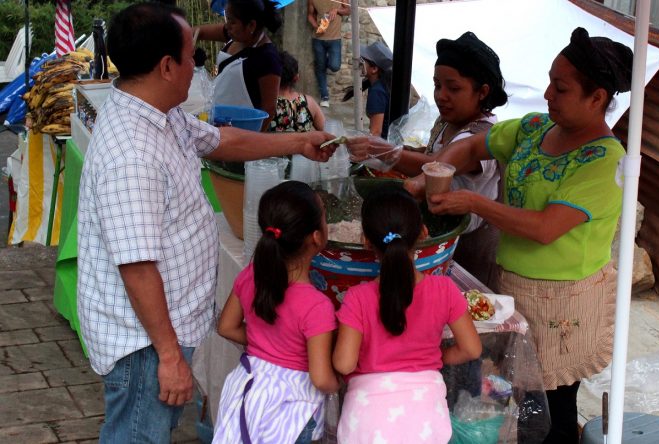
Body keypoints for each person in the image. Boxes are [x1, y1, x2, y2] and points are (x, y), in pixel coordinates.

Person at [77, 3, 337, 442]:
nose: (199, 64)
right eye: (191, 56)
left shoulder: (159, 113)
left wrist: (300, 142)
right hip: (142, 343)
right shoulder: (131, 154)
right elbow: (137, 267)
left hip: (162, 332)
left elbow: (220, 139)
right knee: (138, 434)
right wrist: (168, 356)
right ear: (166, 66)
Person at [404, 27, 632, 443]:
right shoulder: (534, 129)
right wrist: (432, 172)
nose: (547, 94)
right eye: (549, 81)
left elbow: (546, 227)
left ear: (596, 98)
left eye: (560, 88)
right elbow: (472, 147)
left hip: (563, 304)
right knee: (519, 392)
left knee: (554, 403)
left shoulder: (604, 161)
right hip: (514, 286)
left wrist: (473, 203)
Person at [350, 31, 507, 291]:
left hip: (471, 254)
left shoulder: (484, 135)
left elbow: (438, 164)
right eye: (437, 85)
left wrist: (385, 152)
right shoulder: (448, 121)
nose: (441, 95)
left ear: (482, 92)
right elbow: (430, 153)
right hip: (439, 241)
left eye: (453, 88)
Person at [332, 188, 482, 443]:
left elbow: (344, 364)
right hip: (425, 417)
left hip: (367, 421)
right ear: (423, 233)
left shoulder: (357, 298)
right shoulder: (444, 289)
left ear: (366, 241)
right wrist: (437, 356)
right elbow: (471, 349)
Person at [214, 181, 339, 443]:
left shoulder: (252, 274)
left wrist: (268, 347)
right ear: (317, 237)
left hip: (247, 392)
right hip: (290, 407)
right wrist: (341, 383)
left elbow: (226, 326)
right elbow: (320, 378)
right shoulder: (317, 306)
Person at [196, 0, 283, 130]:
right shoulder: (233, 35)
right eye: (227, 19)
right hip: (217, 121)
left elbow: (269, 110)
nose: (227, 26)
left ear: (251, 25)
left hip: (241, 129)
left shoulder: (267, 59)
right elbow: (198, 31)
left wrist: (253, 141)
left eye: (232, 22)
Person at [269, 50, 326, 133]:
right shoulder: (308, 103)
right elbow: (327, 131)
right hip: (301, 146)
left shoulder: (264, 104)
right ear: (296, 78)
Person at [307, 0, 349, 107]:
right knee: (320, 68)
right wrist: (316, 26)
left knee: (334, 66)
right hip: (318, 39)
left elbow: (348, 10)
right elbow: (310, 15)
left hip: (335, 39)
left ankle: (323, 63)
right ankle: (324, 97)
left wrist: (337, 10)